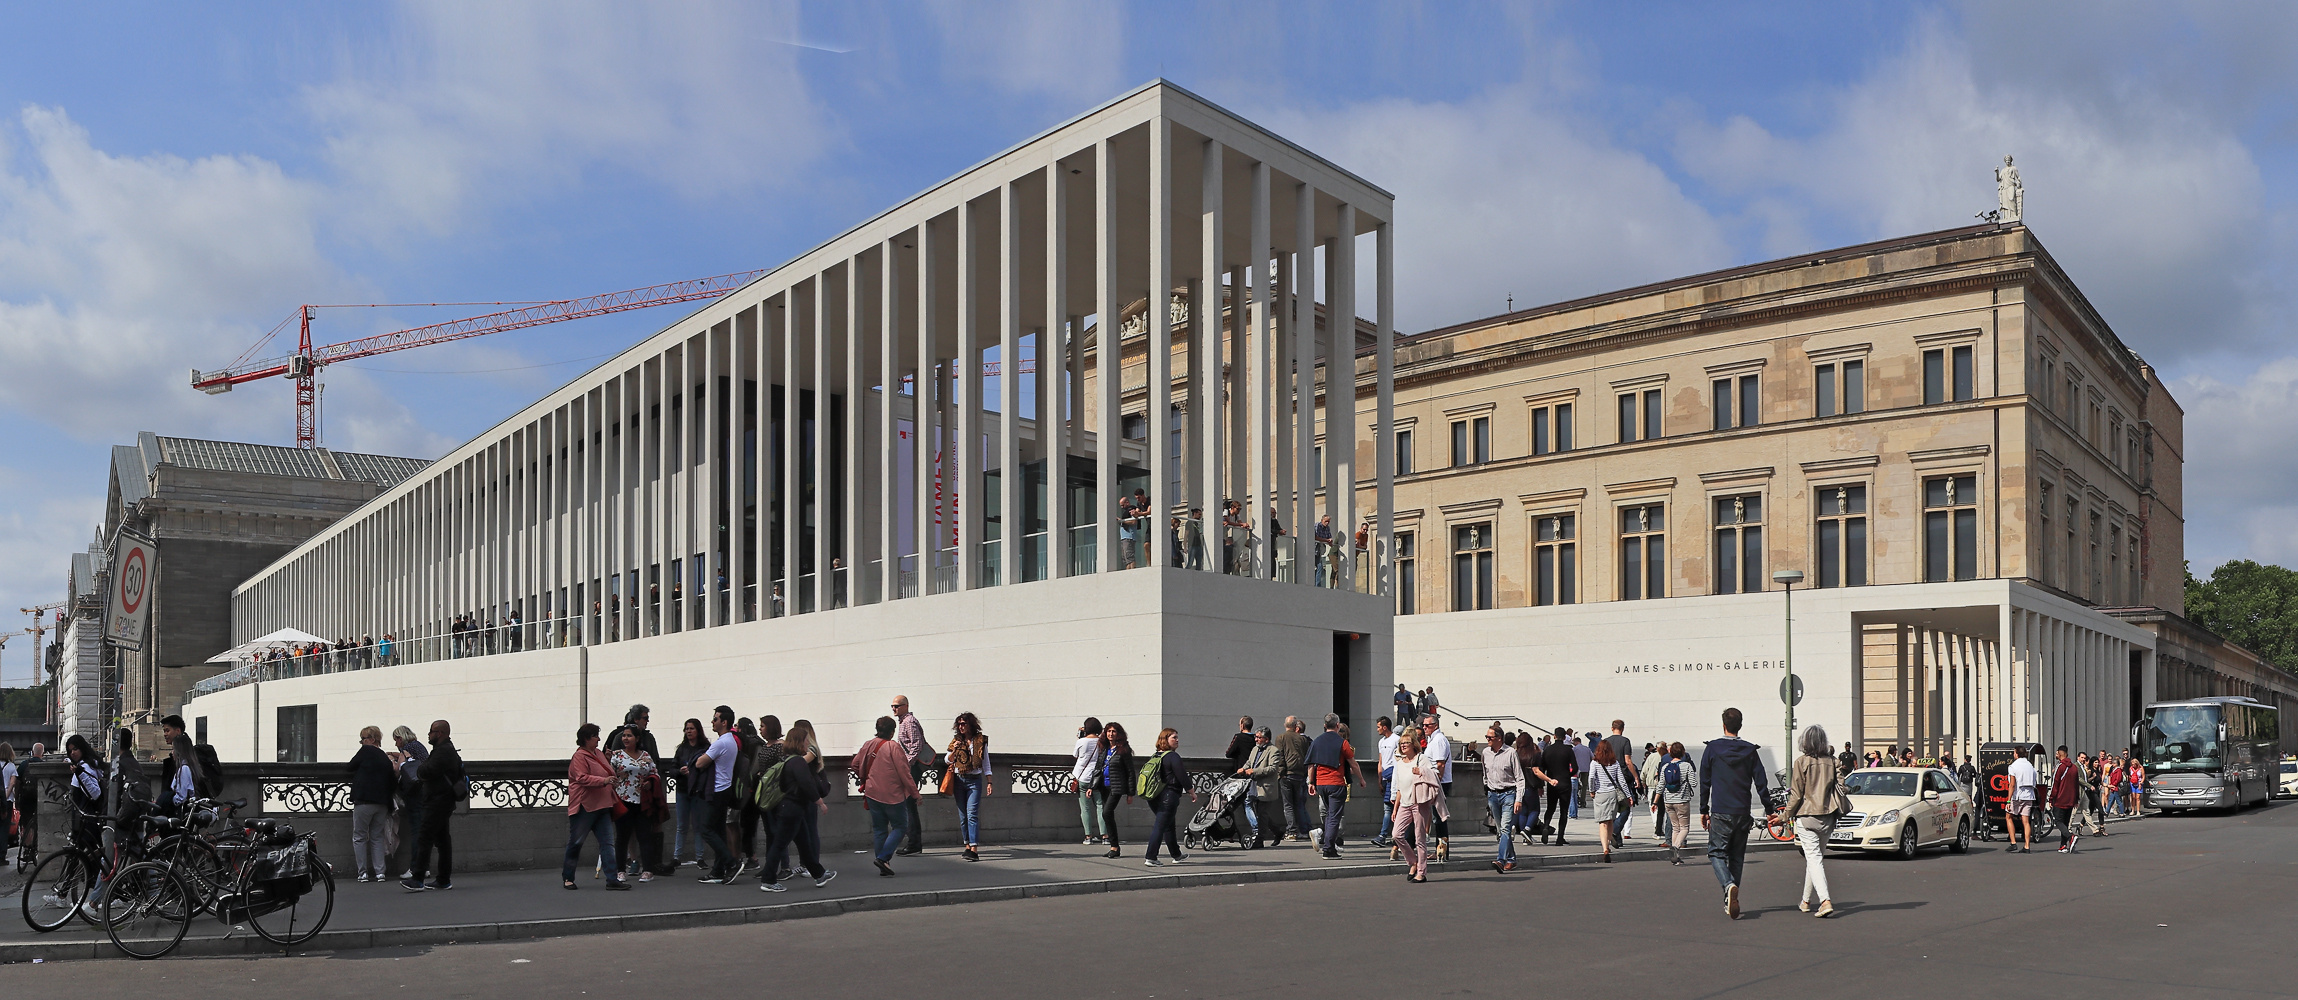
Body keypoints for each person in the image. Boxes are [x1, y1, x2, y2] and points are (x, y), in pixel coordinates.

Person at [1699, 707, 1773, 920]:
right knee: (1737, 857)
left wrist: (1704, 810)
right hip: (1742, 810)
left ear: (1723, 725)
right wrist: (1769, 810)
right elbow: (1761, 783)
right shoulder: (1750, 751)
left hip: (1721, 809)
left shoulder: (1712, 749)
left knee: (1716, 852)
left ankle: (1729, 885)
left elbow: (1705, 782)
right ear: (1740, 726)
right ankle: (1732, 897)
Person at [758, 727, 837, 892]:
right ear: (800, 742)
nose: (808, 743)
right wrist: (819, 802)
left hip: (790, 808)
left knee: (804, 845)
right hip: (792, 809)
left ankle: (819, 874)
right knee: (780, 844)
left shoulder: (788, 760)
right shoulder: (798, 762)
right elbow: (806, 783)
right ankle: (768, 880)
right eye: (806, 740)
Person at [1782, 725, 1846, 917]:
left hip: (1807, 816)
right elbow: (1842, 787)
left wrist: (1784, 816)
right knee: (1815, 859)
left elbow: (1796, 795)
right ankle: (1805, 901)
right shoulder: (1833, 762)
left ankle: (1825, 901)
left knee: (1814, 859)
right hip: (1828, 816)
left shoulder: (1801, 762)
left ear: (1804, 741)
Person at [563, 723, 627, 891]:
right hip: (585, 806)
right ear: (586, 739)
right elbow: (582, 778)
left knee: (607, 843)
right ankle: (568, 877)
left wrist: (610, 770)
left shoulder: (597, 753)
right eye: (595, 736)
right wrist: (604, 781)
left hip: (602, 805)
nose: (599, 739)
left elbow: (608, 774)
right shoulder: (579, 757)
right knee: (576, 842)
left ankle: (612, 879)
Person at [402, 719, 463, 891]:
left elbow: (426, 771)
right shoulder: (447, 750)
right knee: (443, 840)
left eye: (432, 731)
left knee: (425, 837)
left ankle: (418, 878)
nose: (429, 734)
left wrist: (418, 768)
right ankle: (443, 880)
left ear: (441, 733)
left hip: (437, 801)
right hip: (443, 800)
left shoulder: (442, 752)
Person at [853, 716, 918, 876]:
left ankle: (883, 863)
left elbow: (855, 764)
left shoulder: (868, 744)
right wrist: (915, 794)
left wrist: (866, 778)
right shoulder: (893, 747)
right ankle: (883, 859)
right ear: (892, 731)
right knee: (900, 826)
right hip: (892, 794)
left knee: (879, 829)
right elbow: (905, 773)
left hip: (872, 793)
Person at [604, 704, 662, 876]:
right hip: (623, 799)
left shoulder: (645, 755)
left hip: (642, 799)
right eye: (625, 736)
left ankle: (648, 868)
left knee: (644, 834)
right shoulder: (617, 755)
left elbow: (655, 772)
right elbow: (608, 773)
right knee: (622, 836)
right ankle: (621, 869)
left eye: (629, 736)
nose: (625, 738)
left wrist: (651, 783)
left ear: (637, 739)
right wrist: (607, 761)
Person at [691, 706, 742, 883]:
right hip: (725, 788)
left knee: (706, 829)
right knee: (719, 831)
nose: (712, 722)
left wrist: (702, 756)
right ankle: (718, 870)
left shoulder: (721, 742)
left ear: (724, 722)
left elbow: (700, 763)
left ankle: (731, 863)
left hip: (716, 790)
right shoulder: (731, 741)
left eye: (715, 719)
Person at [1389, 725, 1445, 884]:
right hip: (1405, 804)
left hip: (1419, 803)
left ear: (1414, 744)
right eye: (1401, 744)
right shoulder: (1400, 763)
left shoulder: (1422, 759)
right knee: (1396, 834)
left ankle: (1421, 872)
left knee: (1420, 838)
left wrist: (1421, 771)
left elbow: (1435, 775)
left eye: (1406, 743)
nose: (1403, 745)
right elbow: (1400, 787)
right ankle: (1413, 862)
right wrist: (1396, 807)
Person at [347, 726, 397, 882]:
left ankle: (362, 873)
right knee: (377, 836)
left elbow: (350, 766)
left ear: (372, 739)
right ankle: (380, 872)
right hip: (382, 802)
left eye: (363, 739)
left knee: (360, 836)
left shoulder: (365, 751)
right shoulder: (384, 757)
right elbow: (392, 780)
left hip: (364, 800)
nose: (361, 742)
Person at [1305, 714, 1358, 858]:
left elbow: (1311, 765)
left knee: (1329, 815)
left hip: (1321, 783)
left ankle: (1323, 836)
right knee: (1334, 817)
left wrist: (1311, 783)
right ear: (1337, 725)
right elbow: (1353, 763)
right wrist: (1361, 779)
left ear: (1324, 726)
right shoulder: (1342, 743)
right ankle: (1328, 848)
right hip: (1336, 783)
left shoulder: (1316, 741)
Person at [1140, 728, 1194, 867]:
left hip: (1154, 796)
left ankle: (1176, 854)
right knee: (1160, 826)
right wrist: (1191, 791)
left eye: (1177, 737)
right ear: (1165, 740)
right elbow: (1182, 775)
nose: (1177, 740)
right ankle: (1151, 857)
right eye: (1174, 738)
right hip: (1169, 795)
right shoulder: (1172, 757)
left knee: (1168, 826)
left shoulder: (1156, 756)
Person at [1479, 725, 1529, 873]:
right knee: (1501, 830)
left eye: (1490, 737)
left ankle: (1501, 860)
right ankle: (1512, 859)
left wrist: (1518, 799)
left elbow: (1520, 778)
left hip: (1509, 794)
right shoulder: (1485, 753)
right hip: (1493, 795)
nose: (1487, 739)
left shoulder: (1510, 752)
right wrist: (1487, 788)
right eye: (1486, 737)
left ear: (1499, 738)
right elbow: (1484, 773)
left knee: (1506, 828)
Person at [946, 712, 991, 862]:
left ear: (971, 724)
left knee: (972, 813)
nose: (961, 726)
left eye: (964, 723)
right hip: (959, 779)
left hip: (974, 780)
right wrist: (954, 750)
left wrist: (989, 782)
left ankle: (974, 849)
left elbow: (986, 763)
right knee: (963, 816)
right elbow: (947, 760)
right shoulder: (956, 740)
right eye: (959, 724)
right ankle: (967, 846)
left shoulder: (980, 740)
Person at [892, 695, 929, 856]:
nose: (894, 709)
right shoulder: (904, 721)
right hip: (909, 768)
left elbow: (917, 745)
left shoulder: (909, 721)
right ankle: (913, 842)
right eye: (892, 706)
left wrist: (905, 765)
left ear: (906, 706)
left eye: (897, 706)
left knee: (908, 804)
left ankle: (914, 842)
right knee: (908, 804)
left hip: (911, 768)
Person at [1095, 722, 1138, 857]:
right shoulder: (1104, 748)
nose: (1110, 734)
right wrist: (1092, 787)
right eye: (1108, 731)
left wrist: (1131, 793)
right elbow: (1098, 768)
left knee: (1106, 813)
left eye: (1113, 731)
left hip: (1116, 787)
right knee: (1107, 814)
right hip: (1104, 786)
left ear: (1118, 733)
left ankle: (1114, 846)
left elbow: (1130, 772)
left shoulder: (1123, 749)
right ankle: (1114, 847)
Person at [1586, 738, 1632, 863]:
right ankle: (1609, 839)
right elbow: (1621, 780)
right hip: (1612, 794)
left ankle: (1605, 848)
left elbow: (1591, 777)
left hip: (1600, 793)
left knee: (1602, 823)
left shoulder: (1595, 762)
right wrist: (1628, 795)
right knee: (1610, 820)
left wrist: (1592, 790)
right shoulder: (1615, 763)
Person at [670, 718, 708, 868]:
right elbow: (672, 769)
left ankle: (700, 857)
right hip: (682, 790)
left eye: (692, 728)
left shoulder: (705, 748)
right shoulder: (681, 749)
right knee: (682, 825)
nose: (689, 731)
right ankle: (676, 857)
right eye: (687, 729)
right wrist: (680, 771)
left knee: (698, 825)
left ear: (698, 730)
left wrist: (696, 771)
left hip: (698, 790)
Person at [1535, 726, 1578, 845]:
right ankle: (1560, 837)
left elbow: (1542, 767)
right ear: (1564, 737)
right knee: (1564, 811)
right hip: (1564, 782)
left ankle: (1546, 826)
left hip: (1551, 782)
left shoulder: (1547, 750)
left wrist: (1547, 778)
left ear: (1554, 736)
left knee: (1550, 808)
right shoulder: (1568, 750)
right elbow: (1575, 767)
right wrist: (1568, 774)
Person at [1238, 726, 1280, 848]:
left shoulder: (1274, 750)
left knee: (1262, 813)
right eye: (1255, 737)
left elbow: (1272, 769)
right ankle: (1277, 831)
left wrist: (1254, 771)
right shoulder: (1255, 749)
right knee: (1248, 804)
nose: (1256, 739)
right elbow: (1249, 763)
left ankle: (1259, 839)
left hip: (1266, 788)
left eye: (1258, 737)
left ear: (1266, 739)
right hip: (1253, 786)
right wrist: (1244, 768)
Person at [1420, 713, 1454, 859]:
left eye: (1427, 725)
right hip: (1434, 781)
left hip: (1439, 783)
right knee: (1436, 818)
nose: (1424, 727)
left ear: (1435, 726)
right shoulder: (1432, 740)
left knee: (1439, 818)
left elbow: (1440, 764)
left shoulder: (1439, 740)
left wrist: (1436, 782)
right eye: (1423, 725)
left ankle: (1443, 850)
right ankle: (1440, 849)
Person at [1658, 742, 1697, 865]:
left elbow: (1661, 784)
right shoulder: (1687, 766)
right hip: (1682, 800)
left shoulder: (1665, 766)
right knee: (1684, 828)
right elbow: (1694, 783)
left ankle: (1675, 857)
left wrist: (1655, 801)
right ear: (1683, 752)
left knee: (1675, 827)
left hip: (1668, 800)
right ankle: (1676, 847)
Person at [1073, 716, 1109, 846]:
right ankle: (1105, 836)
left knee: (1085, 808)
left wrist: (1080, 737)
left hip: (1083, 777)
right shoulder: (1102, 741)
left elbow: (1075, 755)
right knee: (1100, 806)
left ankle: (1088, 836)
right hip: (1098, 778)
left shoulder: (1081, 742)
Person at [1602, 720, 1640, 840]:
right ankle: (1615, 830)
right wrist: (1636, 777)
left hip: (1608, 777)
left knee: (1612, 808)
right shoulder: (1625, 741)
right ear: (1622, 729)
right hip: (1622, 776)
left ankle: (1616, 839)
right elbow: (1628, 761)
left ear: (1612, 728)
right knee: (1625, 808)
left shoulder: (1606, 742)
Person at [1276, 717, 1312, 842]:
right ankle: (1304, 830)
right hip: (1300, 774)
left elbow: (1279, 756)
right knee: (1300, 804)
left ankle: (1291, 831)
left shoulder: (1281, 737)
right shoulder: (1303, 739)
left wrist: (1281, 773)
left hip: (1287, 774)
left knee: (1288, 805)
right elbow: (1308, 757)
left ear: (1285, 724)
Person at [1373, 717, 1400, 849]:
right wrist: (1379, 780)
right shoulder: (1381, 741)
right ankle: (1394, 837)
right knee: (1389, 808)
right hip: (1385, 777)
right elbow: (1380, 761)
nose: (1377, 729)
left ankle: (1384, 835)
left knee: (1389, 808)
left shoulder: (1396, 739)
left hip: (1393, 776)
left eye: (1378, 727)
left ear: (1385, 727)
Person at [2050, 745, 2082, 854]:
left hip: (2060, 799)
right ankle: (2063, 846)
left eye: (2056, 753)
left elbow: (2055, 784)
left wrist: (2051, 798)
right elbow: (2076, 784)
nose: (2056, 755)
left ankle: (2070, 837)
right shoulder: (2074, 768)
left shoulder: (2060, 767)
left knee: (2058, 821)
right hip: (2071, 799)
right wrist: (2076, 799)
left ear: (2059, 753)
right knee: (2065, 822)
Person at [2005, 748, 2038, 853]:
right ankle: (2027, 845)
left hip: (2018, 795)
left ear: (2016, 754)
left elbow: (2012, 784)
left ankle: (2013, 842)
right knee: (2026, 821)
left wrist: (2009, 800)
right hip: (2029, 795)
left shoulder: (2013, 766)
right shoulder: (2030, 766)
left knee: (2009, 816)